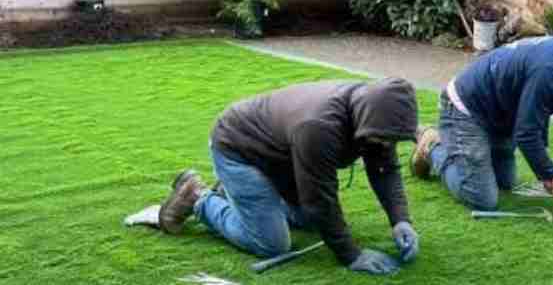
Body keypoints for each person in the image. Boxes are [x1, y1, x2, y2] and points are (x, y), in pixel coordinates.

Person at [158, 78, 421, 276]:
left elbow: (384, 169)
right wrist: (351, 255)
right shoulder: (319, 127)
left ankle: (236, 194)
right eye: (383, 139)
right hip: (238, 148)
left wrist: (400, 220)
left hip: (280, 155)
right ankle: (198, 198)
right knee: (272, 243)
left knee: (310, 220)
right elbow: (318, 197)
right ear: (368, 118)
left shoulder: (374, 111)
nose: (386, 146)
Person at [410, 26, 553, 214]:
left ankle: (470, 152)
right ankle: (434, 147)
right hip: (466, 108)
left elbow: (538, 112)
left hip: (498, 111)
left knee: (505, 183)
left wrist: (545, 174)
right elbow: (526, 134)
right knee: (483, 198)